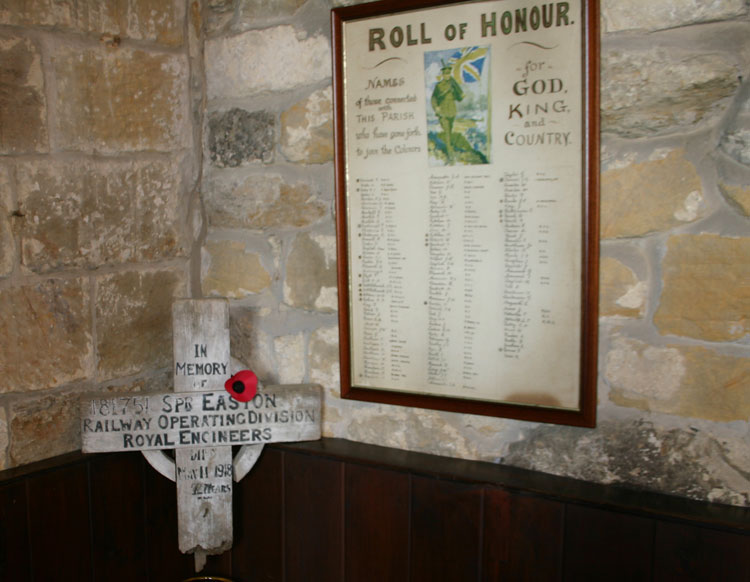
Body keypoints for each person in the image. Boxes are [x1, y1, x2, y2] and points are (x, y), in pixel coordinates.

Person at [430, 62, 464, 163]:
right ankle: (450, 152)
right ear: (443, 75)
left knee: (450, 129)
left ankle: (449, 147)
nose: (447, 76)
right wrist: (436, 107)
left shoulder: (453, 84)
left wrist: (461, 95)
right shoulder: (439, 86)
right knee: (446, 130)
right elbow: (433, 98)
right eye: (445, 74)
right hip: (443, 109)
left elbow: (458, 98)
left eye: (449, 74)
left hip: (452, 109)